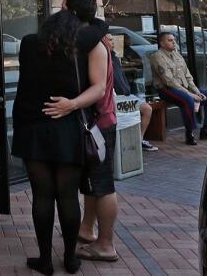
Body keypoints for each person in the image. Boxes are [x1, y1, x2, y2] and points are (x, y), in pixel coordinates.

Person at [12, 0, 109, 275]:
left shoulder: (30, 43)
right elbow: (99, 88)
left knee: (42, 196)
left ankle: (44, 260)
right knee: (67, 196)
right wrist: (71, 104)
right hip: (69, 126)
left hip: (33, 126)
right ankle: (70, 259)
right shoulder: (88, 45)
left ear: (63, 7)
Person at [77, 21, 120, 263]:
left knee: (103, 185)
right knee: (93, 182)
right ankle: (86, 228)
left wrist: (71, 104)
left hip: (99, 125)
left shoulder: (95, 47)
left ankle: (105, 244)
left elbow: (99, 89)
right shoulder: (100, 44)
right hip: (102, 122)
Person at [149, 32, 207, 145]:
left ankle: (206, 130)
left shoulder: (177, 55)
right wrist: (191, 95)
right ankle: (190, 133)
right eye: (170, 40)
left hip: (184, 88)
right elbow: (169, 81)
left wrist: (197, 92)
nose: (174, 42)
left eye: (174, 40)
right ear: (162, 43)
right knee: (187, 100)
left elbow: (188, 76)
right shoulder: (157, 57)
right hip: (167, 89)